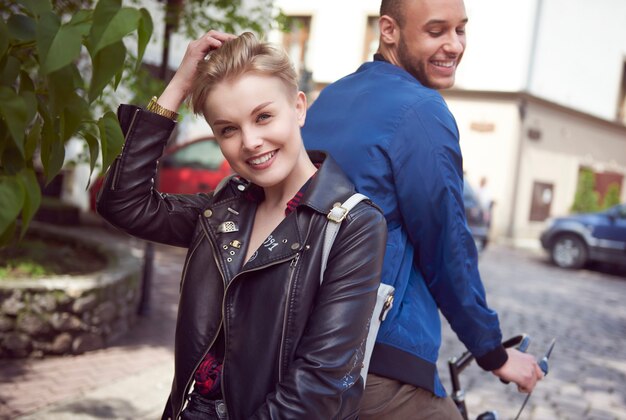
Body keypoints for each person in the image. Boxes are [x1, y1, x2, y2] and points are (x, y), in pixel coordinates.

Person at [97, 31, 387, 420]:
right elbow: (124, 203)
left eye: (264, 116)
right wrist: (182, 82)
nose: (250, 141)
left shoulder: (352, 224)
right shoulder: (224, 211)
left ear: (299, 107)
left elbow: (316, 386)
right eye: (228, 129)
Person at [301, 0, 544, 418]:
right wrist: (493, 353)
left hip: (306, 342)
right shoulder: (421, 111)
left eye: (461, 30)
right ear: (389, 30)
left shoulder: (328, 98)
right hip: (378, 360)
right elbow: (447, 246)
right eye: (436, 31)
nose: (454, 45)